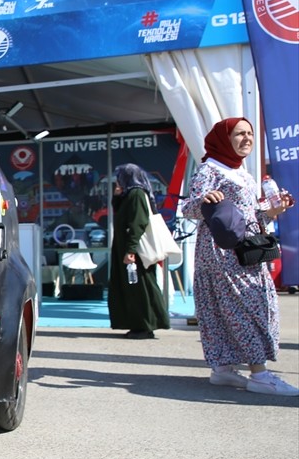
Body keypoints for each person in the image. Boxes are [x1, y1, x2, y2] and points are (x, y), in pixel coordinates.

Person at [180, 117, 297, 396]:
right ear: (224, 138)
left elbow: (248, 217)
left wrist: (272, 212)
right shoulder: (210, 169)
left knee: (231, 308)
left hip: (245, 251)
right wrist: (204, 200)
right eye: (239, 134)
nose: (247, 138)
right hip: (222, 254)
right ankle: (260, 375)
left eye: (250, 133)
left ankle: (222, 370)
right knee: (246, 309)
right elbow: (188, 208)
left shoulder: (242, 173)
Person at [107, 163, 170, 339]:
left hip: (135, 251)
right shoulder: (129, 194)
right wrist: (117, 197)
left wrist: (131, 250)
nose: (118, 181)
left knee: (140, 287)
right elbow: (121, 213)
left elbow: (138, 223)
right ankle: (138, 324)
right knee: (133, 287)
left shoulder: (136, 194)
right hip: (128, 248)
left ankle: (145, 325)